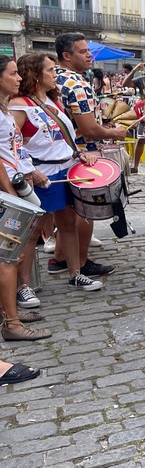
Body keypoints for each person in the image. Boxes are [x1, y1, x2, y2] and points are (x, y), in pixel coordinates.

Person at [11, 53, 103, 299]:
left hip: (65, 169)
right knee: (32, 232)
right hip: (40, 174)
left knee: (68, 225)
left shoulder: (54, 101)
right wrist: (30, 170)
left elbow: (63, 139)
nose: (56, 75)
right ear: (35, 74)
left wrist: (79, 154)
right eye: (51, 70)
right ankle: (24, 286)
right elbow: (12, 144)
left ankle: (75, 273)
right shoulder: (19, 105)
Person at [53, 33, 122, 278]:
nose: (89, 55)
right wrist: (114, 132)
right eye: (83, 52)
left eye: (88, 50)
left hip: (60, 153)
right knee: (84, 210)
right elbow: (90, 129)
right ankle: (81, 262)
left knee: (66, 214)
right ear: (67, 55)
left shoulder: (53, 77)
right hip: (83, 153)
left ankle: (60, 258)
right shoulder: (76, 84)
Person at [0, 55, 51, 341]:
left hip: (13, 185)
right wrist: (10, 191)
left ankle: (9, 312)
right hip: (6, 190)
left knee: (10, 256)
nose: (19, 78)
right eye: (12, 74)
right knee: (7, 258)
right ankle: (12, 324)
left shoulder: (5, 110)